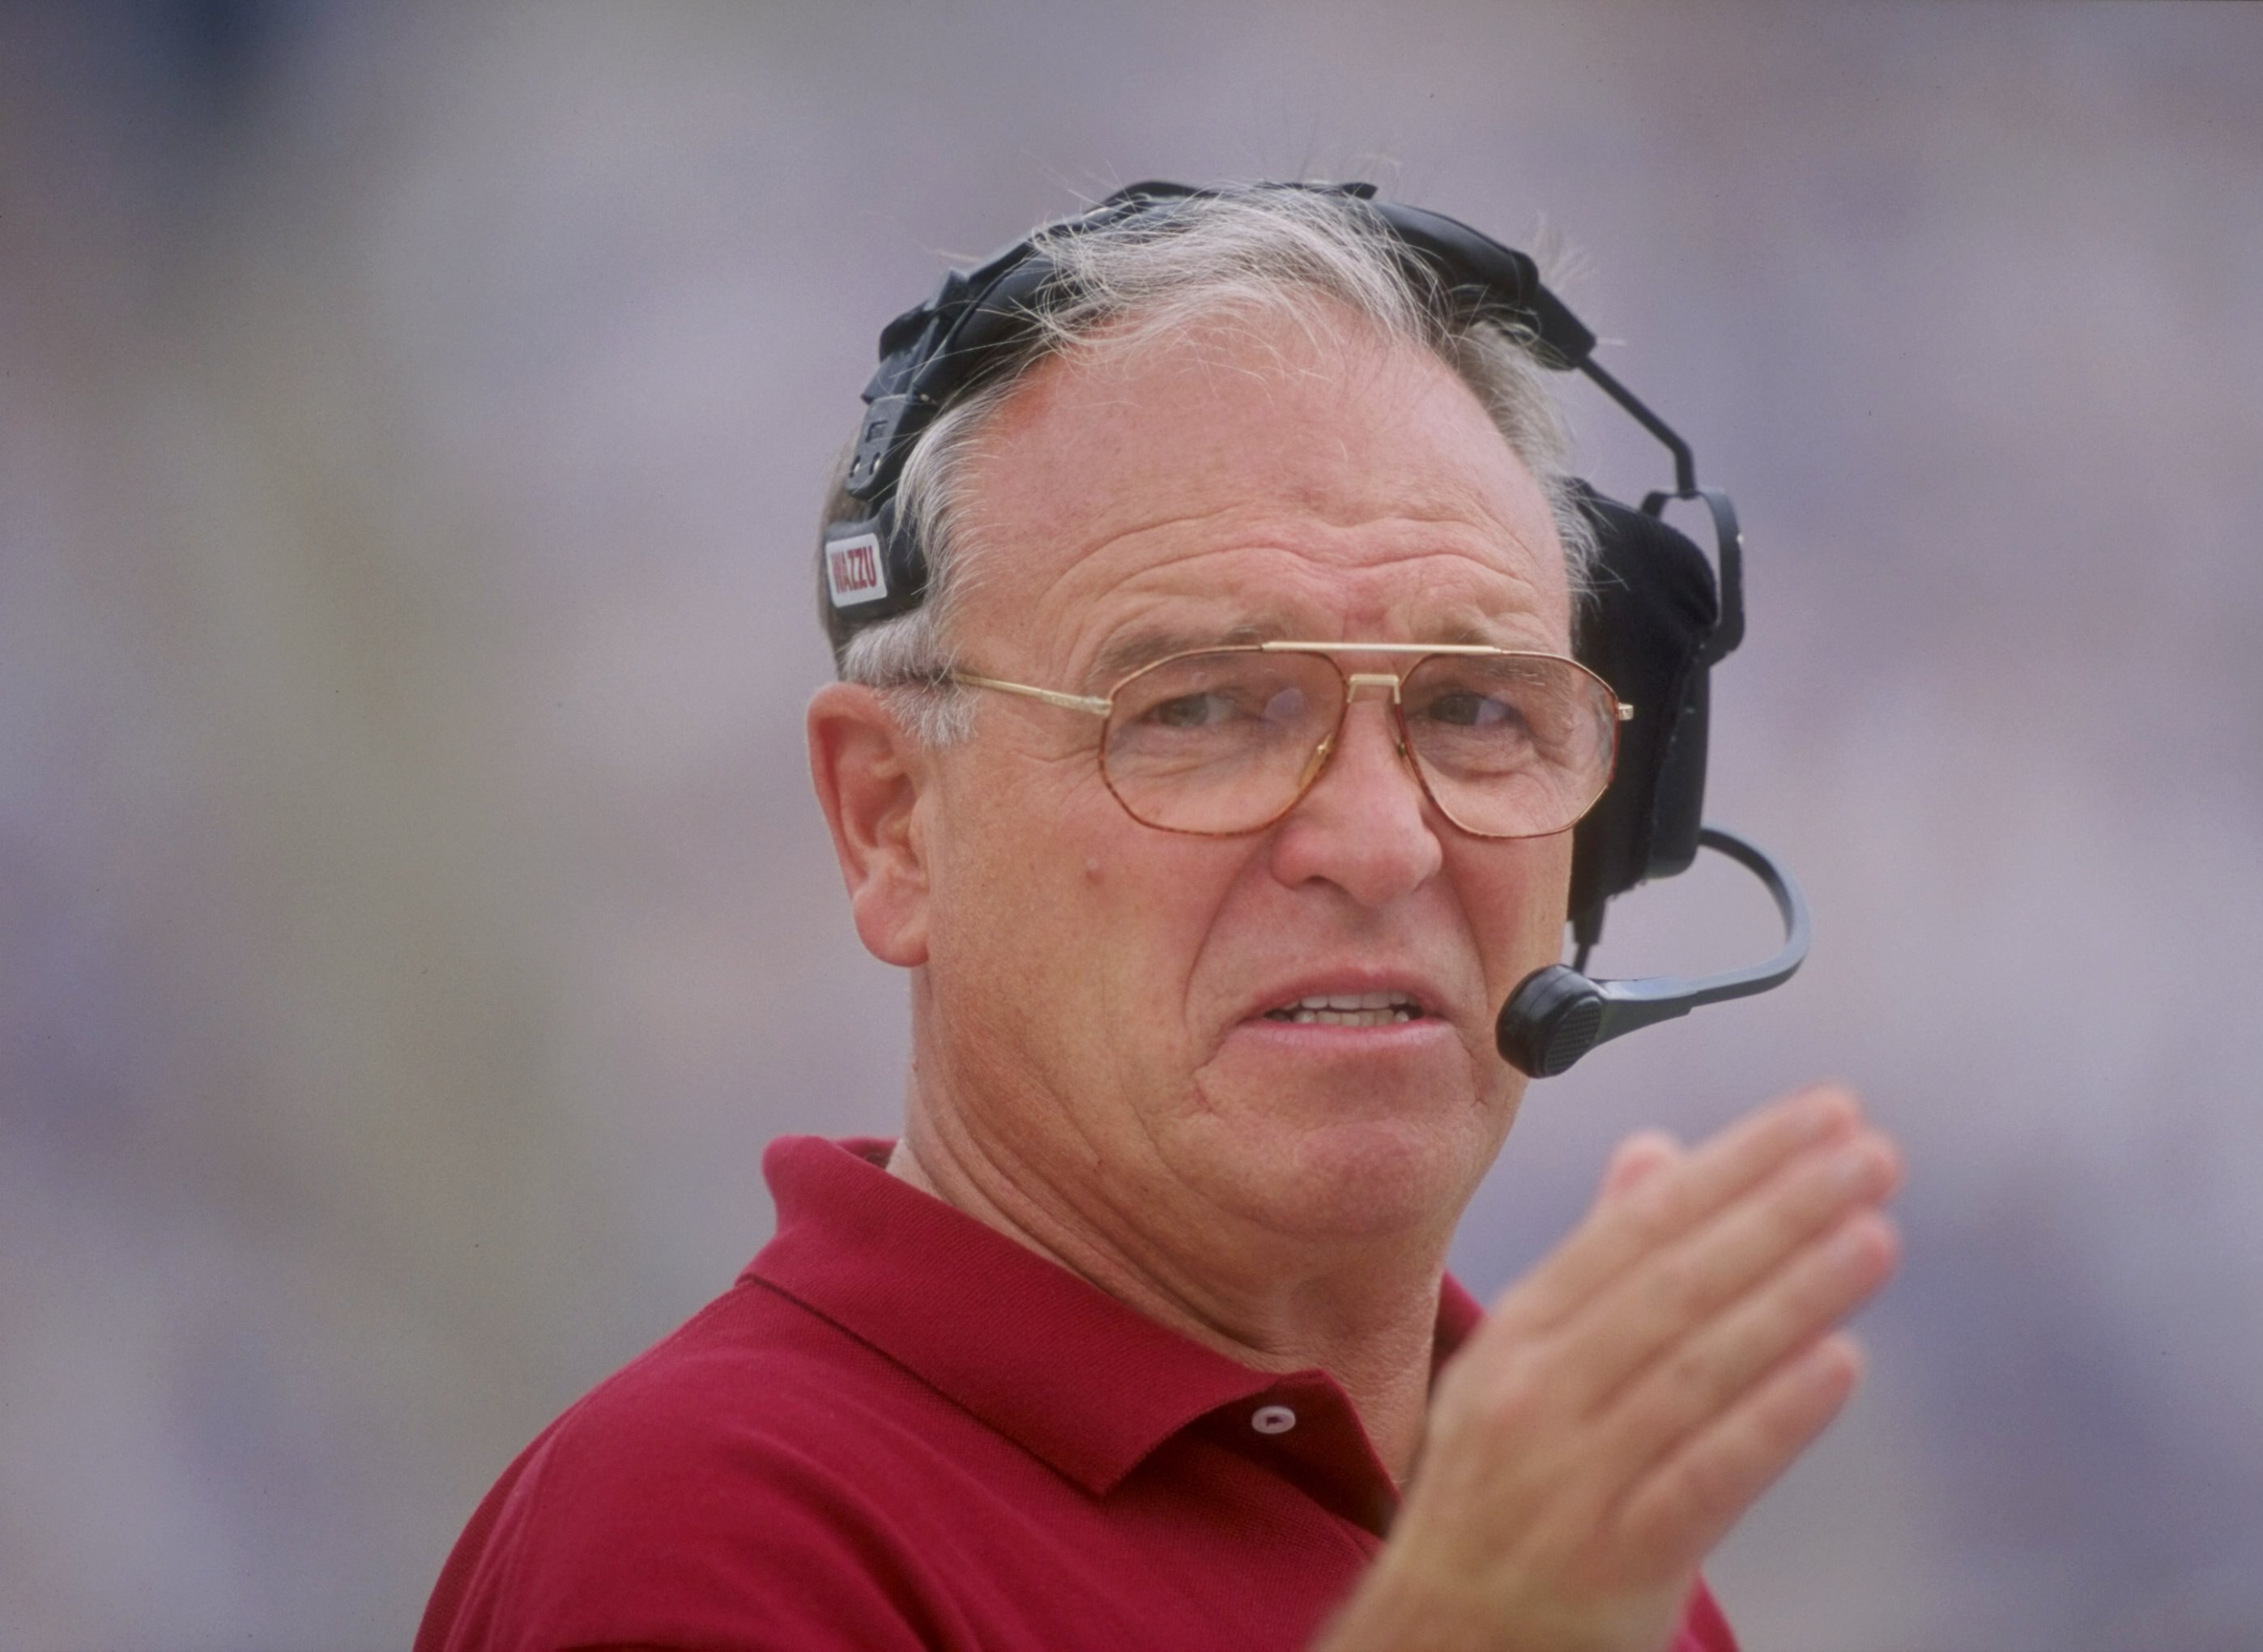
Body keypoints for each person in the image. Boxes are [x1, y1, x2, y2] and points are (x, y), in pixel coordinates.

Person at [417, 182, 1901, 1652]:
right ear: (890, 821)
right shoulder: (702, 1536)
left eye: (1475, 708)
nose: (1382, 841)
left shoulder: (1554, 1537)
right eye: (1202, 709)